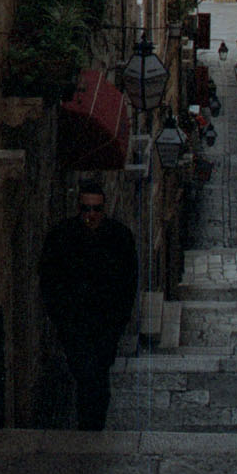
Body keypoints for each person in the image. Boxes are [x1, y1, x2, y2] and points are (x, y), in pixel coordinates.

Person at [38, 179, 138, 430]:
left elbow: (129, 282)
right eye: (86, 209)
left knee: (98, 376)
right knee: (85, 375)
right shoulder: (61, 237)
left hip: (106, 326)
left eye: (96, 209)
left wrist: (119, 322)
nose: (91, 215)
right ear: (78, 208)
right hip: (75, 325)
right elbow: (49, 280)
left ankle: (93, 426)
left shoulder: (120, 237)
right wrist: (61, 319)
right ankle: (88, 426)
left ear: (104, 209)